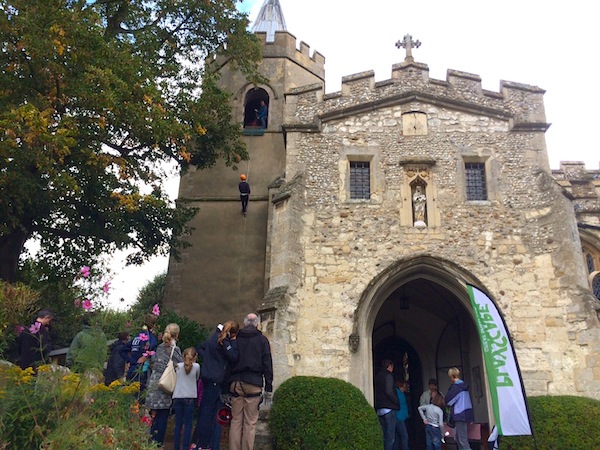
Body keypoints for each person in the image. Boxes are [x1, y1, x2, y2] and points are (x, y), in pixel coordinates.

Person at [228, 313, 273, 450]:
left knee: (236, 421)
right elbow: (267, 364)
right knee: (250, 422)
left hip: (236, 382)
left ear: (245, 323)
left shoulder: (236, 338)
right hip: (254, 383)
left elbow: (230, 361)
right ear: (257, 324)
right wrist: (269, 387)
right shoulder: (262, 340)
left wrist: (226, 385)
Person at [192, 321, 239, 450]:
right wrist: (233, 340)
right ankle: (204, 444)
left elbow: (200, 347)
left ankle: (201, 443)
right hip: (215, 380)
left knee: (206, 412)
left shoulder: (214, 337)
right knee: (210, 414)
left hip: (208, 377)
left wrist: (208, 359)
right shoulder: (224, 341)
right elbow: (234, 356)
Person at [145, 323, 183, 446]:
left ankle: (150, 441)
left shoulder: (159, 347)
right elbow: (180, 366)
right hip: (165, 385)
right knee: (162, 417)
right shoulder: (175, 349)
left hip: (154, 383)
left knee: (153, 416)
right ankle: (158, 444)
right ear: (176, 334)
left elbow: (154, 362)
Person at [119, 313, 159, 393]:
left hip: (131, 371)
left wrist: (130, 360)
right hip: (141, 372)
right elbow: (151, 350)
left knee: (128, 396)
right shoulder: (150, 338)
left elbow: (122, 351)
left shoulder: (137, 337)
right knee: (138, 399)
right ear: (153, 325)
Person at [172, 347, 201, 450]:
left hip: (177, 396)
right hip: (189, 397)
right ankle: (185, 447)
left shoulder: (178, 366)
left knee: (178, 423)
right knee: (188, 424)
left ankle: (176, 446)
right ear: (194, 357)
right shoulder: (197, 367)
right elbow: (196, 379)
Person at [446, 367, 474, 450]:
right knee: (459, 439)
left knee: (462, 440)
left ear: (451, 376)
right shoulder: (464, 386)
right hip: (466, 413)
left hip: (459, 414)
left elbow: (449, 401)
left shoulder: (456, 388)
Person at [374, 359, 399, 450]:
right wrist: (396, 402)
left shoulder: (377, 376)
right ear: (389, 367)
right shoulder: (388, 376)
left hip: (380, 409)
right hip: (389, 408)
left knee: (383, 436)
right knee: (390, 437)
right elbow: (389, 392)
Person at [394, 380, 410, 450]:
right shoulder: (399, 393)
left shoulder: (397, 393)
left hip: (398, 417)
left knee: (397, 437)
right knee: (404, 436)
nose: (405, 389)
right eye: (404, 387)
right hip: (400, 417)